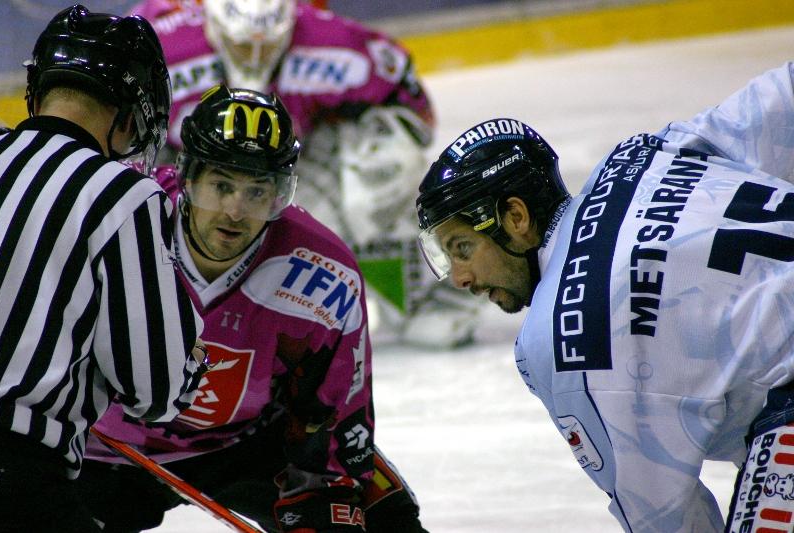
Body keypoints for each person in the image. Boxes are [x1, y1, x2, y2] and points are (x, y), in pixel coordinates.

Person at [414, 62, 794, 532]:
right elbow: (783, 97)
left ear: (516, 217)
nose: (459, 278)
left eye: (462, 249)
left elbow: (663, 515)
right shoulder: (641, 156)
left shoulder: (562, 337)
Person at [79, 84, 427, 533]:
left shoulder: (322, 275)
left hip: (245, 443)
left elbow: (332, 416)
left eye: (256, 192)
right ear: (188, 177)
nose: (235, 211)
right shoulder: (113, 219)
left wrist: (325, 496)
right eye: (221, 186)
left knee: (388, 522)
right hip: (101, 448)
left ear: (280, 194)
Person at [127, 0, 480, 349]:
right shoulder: (161, 38)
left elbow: (412, 112)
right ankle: (155, 294)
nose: (255, 56)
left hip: (296, 170)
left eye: (268, 45)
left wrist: (377, 169)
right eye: (242, 45)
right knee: (131, 190)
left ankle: (421, 293)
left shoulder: (337, 43)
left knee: (386, 162)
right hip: (192, 173)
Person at [0, 4, 208, 532]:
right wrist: (189, 363)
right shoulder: (123, 196)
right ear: (130, 116)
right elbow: (154, 389)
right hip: (15, 477)